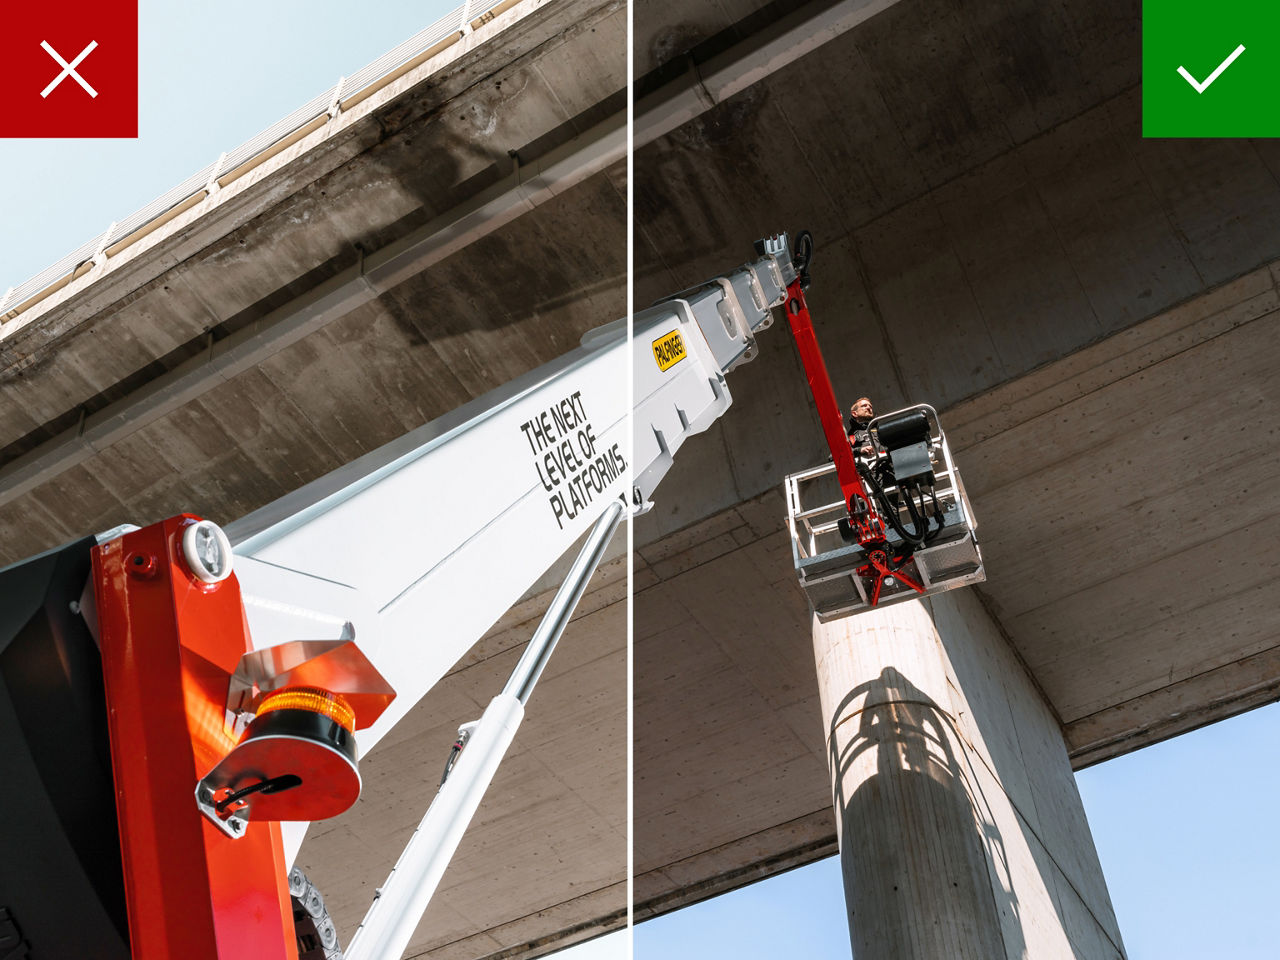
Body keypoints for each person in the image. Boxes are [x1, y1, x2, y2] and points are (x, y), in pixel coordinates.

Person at [847, 397, 875, 461]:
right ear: (854, 413)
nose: (869, 408)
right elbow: (833, 457)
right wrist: (859, 450)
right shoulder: (849, 436)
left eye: (870, 406)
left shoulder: (880, 429)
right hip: (863, 469)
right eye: (864, 406)